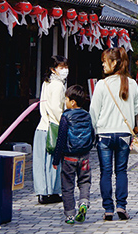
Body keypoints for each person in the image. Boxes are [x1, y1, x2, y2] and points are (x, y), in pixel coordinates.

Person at [90, 48, 138, 221]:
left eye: (105, 61)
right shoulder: (132, 84)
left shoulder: (101, 85)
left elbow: (93, 112)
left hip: (104, 134)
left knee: (105, 172)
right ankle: (121, 205)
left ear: (114, 63)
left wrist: (93, 131)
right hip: (124, 134)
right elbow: (135, 109)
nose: (103, 65)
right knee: (121, 171)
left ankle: (108, 209)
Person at [52, 85, 95, 224]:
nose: (65, 101)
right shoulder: (87, 115)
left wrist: (56, 159)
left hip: (69, 157)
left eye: (66, 98)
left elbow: (61, 139)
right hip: (84, 157)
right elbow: (92, 134)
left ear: (73, 102)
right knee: (84, 182)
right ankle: (83, 202)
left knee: (67, 186)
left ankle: (70, 215)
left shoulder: (66, 116)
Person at [33, 55, 68, 205]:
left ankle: (42, 192)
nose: (65, 70)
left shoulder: (46, 83)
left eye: (66, 67)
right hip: (53, 127)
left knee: (41, 162)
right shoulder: (58, 85)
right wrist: (64, 123)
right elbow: (55, 108)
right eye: (61, 67)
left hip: (42, 127)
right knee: (53, 161)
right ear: (53, 69)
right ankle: (51, 191)